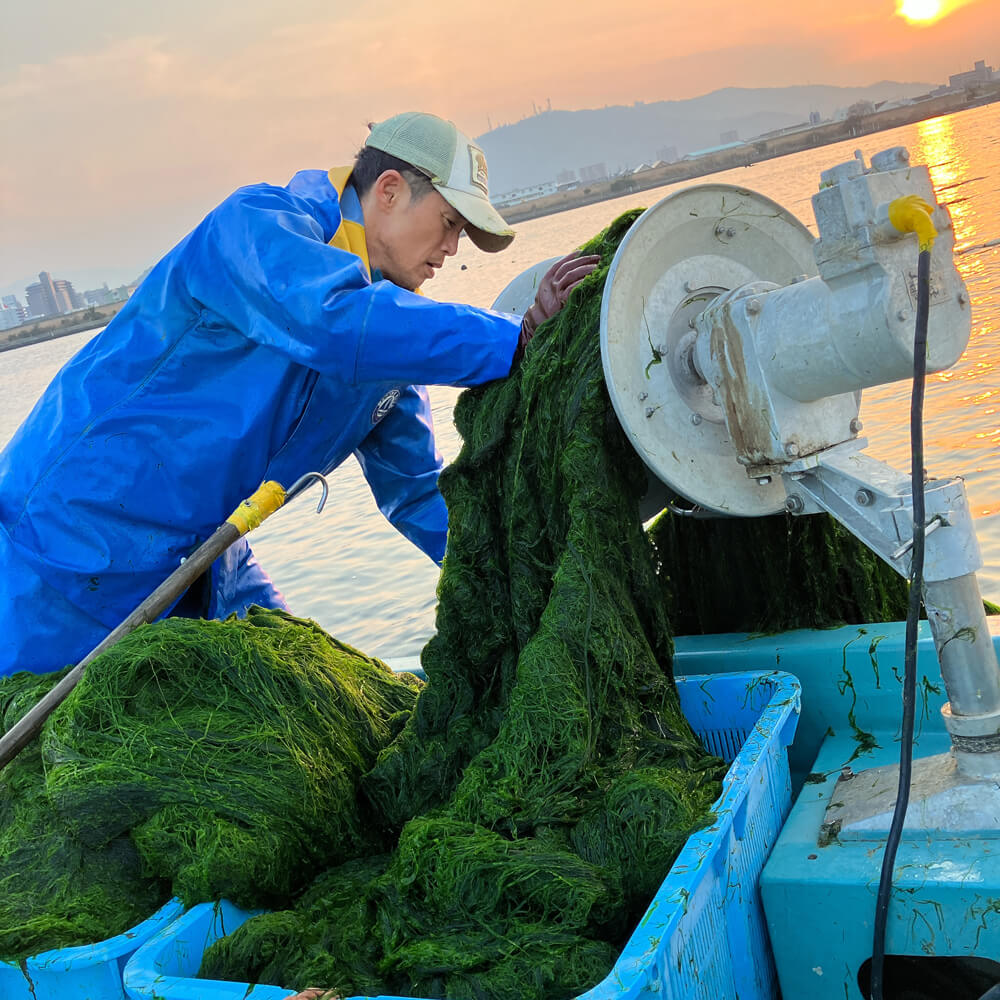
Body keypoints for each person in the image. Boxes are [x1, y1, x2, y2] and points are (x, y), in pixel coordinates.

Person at [0, 112, 599, 676]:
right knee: (69, 753)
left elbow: (418, 494)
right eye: (449, 224)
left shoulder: (389, 343)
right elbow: (329, 322)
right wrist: (514, 338)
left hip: (202, 555)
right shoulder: (258, 226)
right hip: (68, 536)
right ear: (388, 190)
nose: (452, 250)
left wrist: (521, 580)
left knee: (303, 679)